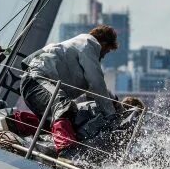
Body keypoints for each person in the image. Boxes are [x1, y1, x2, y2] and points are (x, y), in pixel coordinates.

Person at [18, 25, 119, 154]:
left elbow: (93, 90)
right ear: (103, 43)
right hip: (36, 81)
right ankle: (67, 151)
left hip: (35, 84)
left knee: (68, 116)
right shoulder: (89, 43)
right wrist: (111, 115)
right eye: (107, 50)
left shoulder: (77, 46)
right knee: (62, 107)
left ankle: (15, 123)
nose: (104, 55)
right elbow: (96, 81)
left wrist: (107, 104)